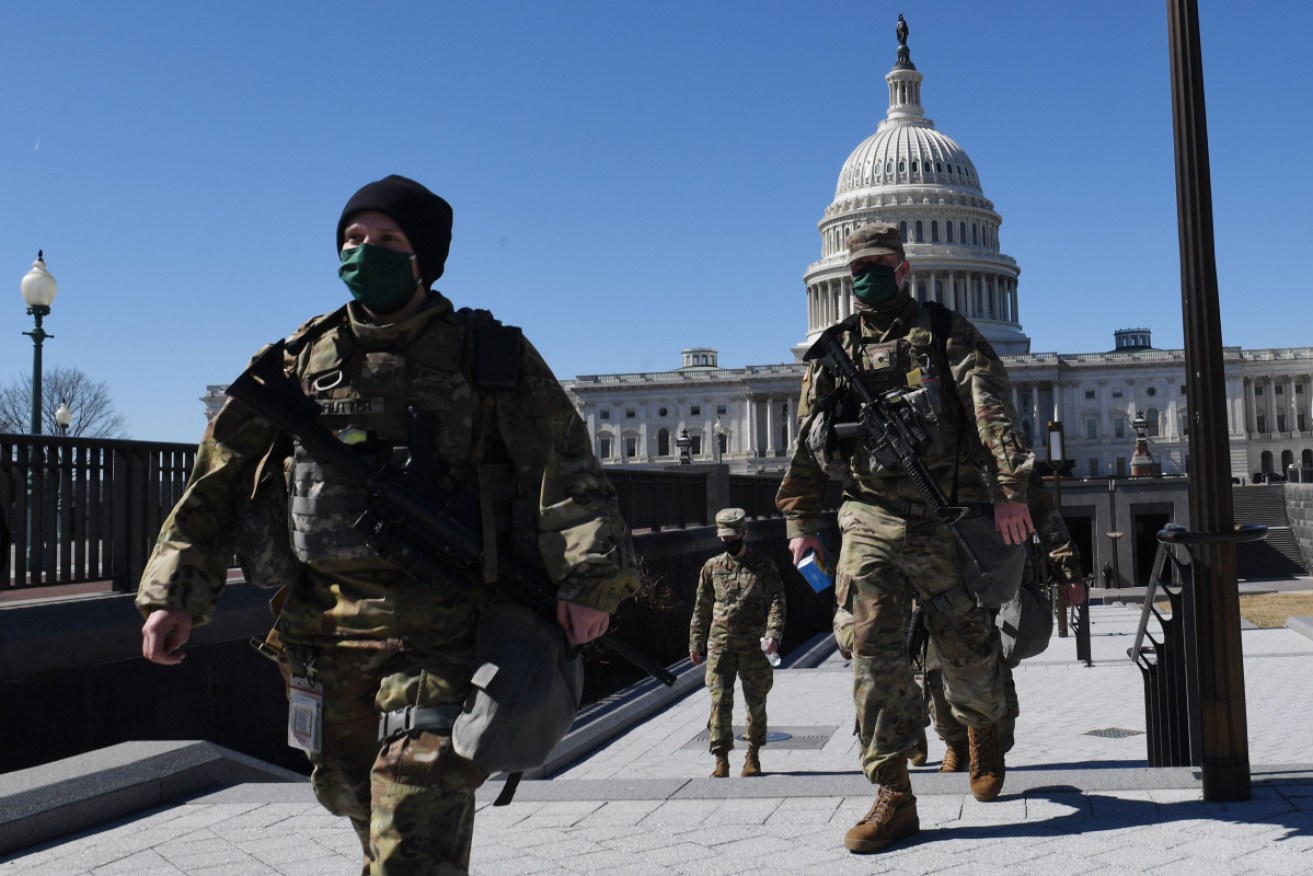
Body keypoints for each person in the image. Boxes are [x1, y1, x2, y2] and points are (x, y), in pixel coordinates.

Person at [135, 174, 639, 875]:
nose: (364, 251)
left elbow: (564, 471)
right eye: (353, 239)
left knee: (415, 823)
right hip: (322, 635)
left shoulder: (489, 357)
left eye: (387, 240)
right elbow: (216, 483)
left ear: (423, 257)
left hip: (448, 633)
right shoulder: (293, 363)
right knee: (355, 802)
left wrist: (588, 580)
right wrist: (173, 596)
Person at [776, 222, 1035, 854]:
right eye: (857, 266)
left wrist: (1009, 493)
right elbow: (806, 446)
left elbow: (993, 415)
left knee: (968, 651)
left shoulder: (949, 337)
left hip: (942, 515)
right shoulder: (831, 354)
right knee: (873, 655)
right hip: (867, 516)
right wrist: (800, 524)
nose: (866, 276)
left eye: (879, 264)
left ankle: (982, 730)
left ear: (903, 268)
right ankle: (893, 792)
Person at [923, 470, 1086, 770]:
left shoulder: (1003, 459)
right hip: (937, 572)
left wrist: (1068, 572)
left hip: (994, 575)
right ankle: (956, 742)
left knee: (990, 662)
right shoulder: (928, 446)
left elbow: (1044, 513)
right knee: (935, 668)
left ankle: (990, 746)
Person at [689, 508, 786, 778]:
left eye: (733, 538)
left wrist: (773, 634)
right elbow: (702, 606)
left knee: (755, 701)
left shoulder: (763, 565)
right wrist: (695, 642)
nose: (729, 543)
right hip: (720, 645)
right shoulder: (712, 567)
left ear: (745, 534)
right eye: (724, 539)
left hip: (754, 644)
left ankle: (753, 754)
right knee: (719, 701)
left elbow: (777, 600)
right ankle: (721, 759)